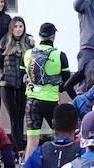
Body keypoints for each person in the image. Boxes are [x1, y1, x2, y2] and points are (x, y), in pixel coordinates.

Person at [22, 23, 70, 154]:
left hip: (31, 101)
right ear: (53, 36)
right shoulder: (60, 55)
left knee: (32, 142)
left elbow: (23, 76)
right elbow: (67, 80)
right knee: (61, 138)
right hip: (51, 101)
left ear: (39, 35)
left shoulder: (28, 54)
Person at [0, 16, 34, 148]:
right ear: (11, 28)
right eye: (15, 26)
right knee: (13, 115)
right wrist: (2, 76)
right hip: (7, 85)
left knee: (22, 114)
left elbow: (34, 62)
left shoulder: (28, 41)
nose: (18, 29)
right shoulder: (4, 41)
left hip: (23, 85)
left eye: (20, 26)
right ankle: (18, 148)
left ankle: (21, 145)